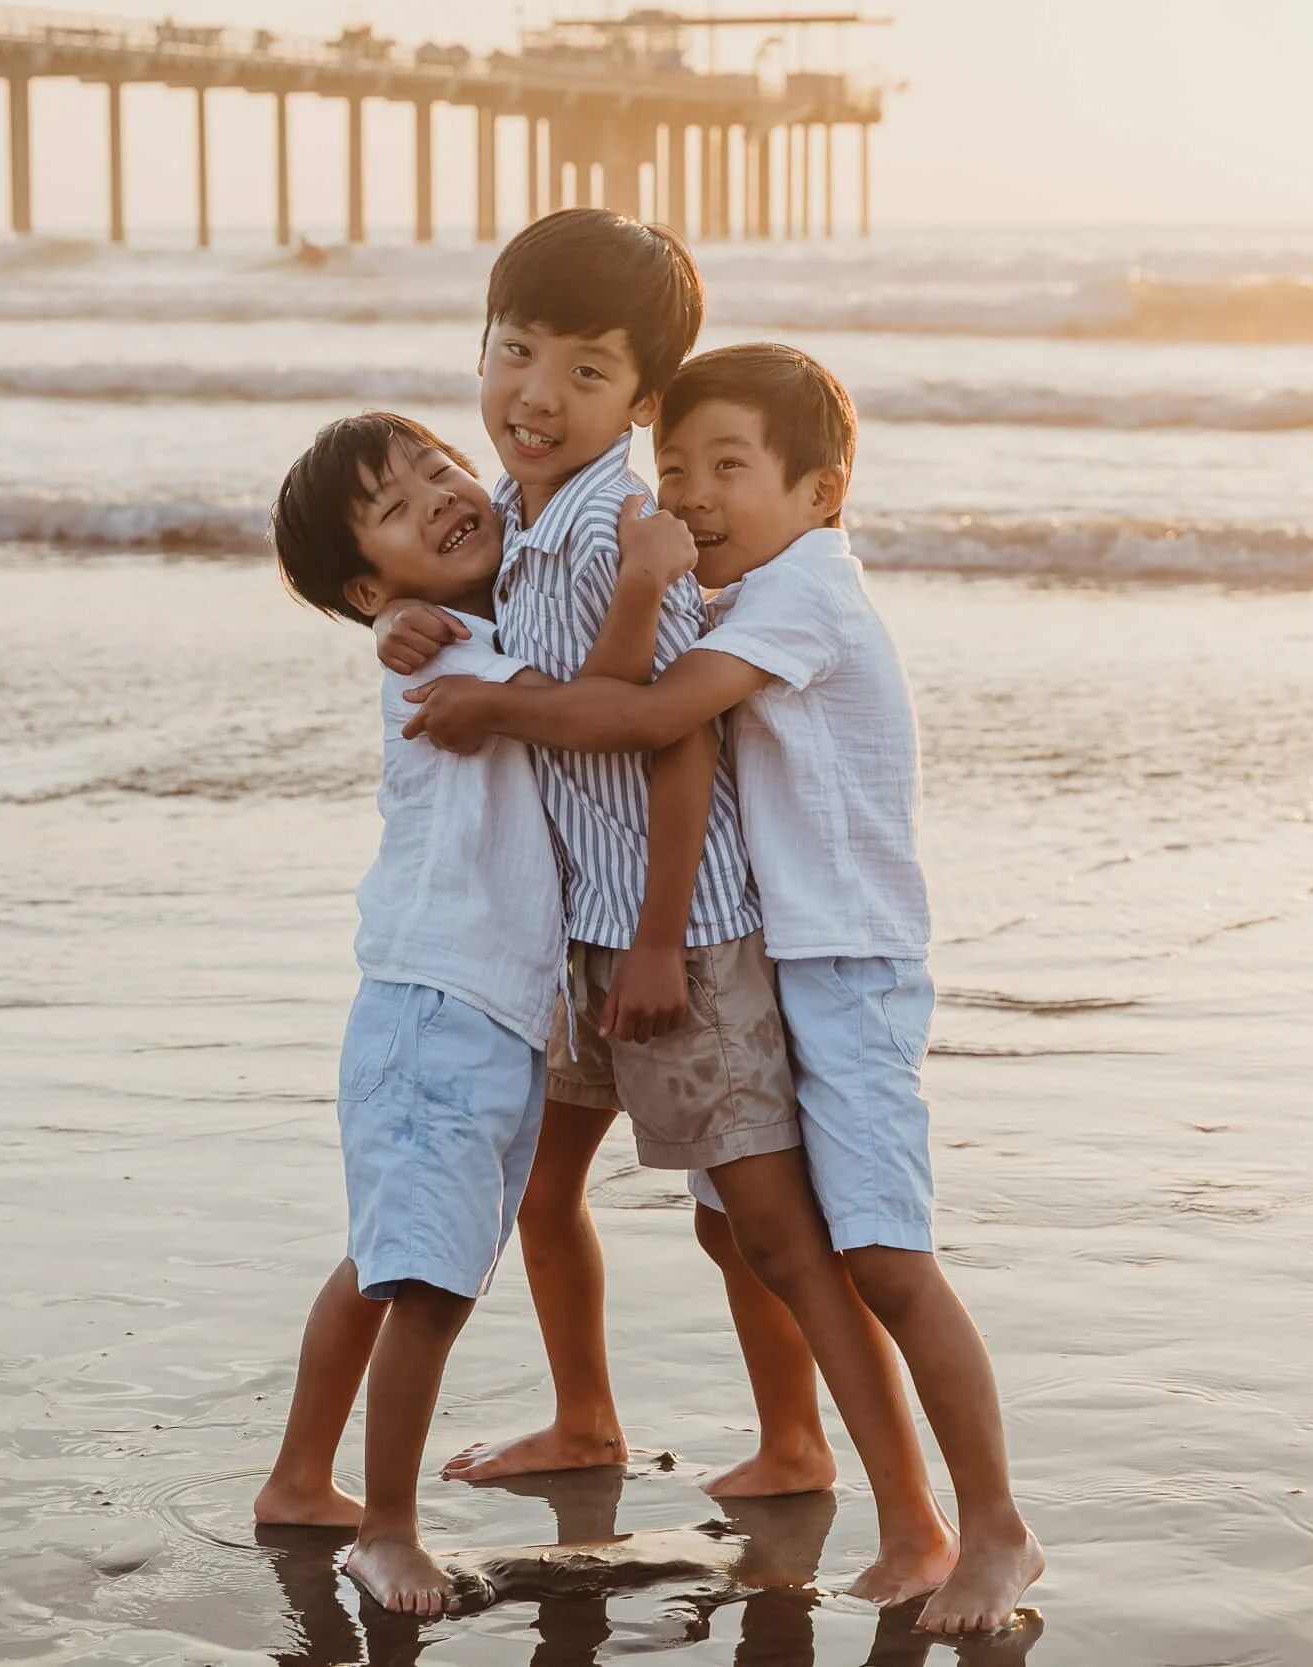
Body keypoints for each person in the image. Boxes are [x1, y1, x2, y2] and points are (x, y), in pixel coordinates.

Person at [402, 343, 1046, 1633]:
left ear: (823, 490)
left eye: (729, 469)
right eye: (678, 464)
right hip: (780, 946)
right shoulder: (748, 581)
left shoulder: (801, 592)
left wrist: (490, 704)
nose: (691, 495)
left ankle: (987, 1531)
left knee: (881, 1254)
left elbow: (649, 720)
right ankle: (801, 1450)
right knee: (734, 1224)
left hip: (840, 963)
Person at [248, 412, 563, 1616]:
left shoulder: (452, 627)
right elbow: (572, 697)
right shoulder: (443, 662)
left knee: (386, 1258)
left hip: (445, 1002)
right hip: (443, 1006)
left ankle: (296, 1476)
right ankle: (386, 1530)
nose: (440, 492)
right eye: (396, 504)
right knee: (427, 1278)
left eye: (440, 468)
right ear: (371, 583)